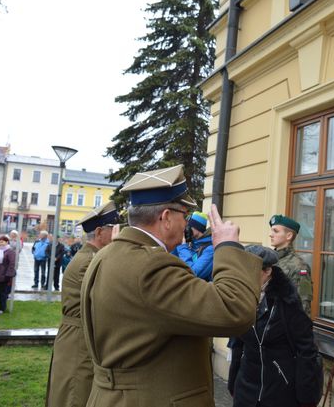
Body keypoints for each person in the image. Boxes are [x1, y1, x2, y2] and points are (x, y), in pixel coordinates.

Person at [80, 164, 261, 406]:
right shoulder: (151, 267)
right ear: (166, 218)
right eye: (184, 216)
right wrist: (227, 247)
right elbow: (234, 310)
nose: (185, 224)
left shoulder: (107, 255)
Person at [228, 245, 323, 407]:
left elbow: (305, 347)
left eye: (250, 270)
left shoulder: (287, 299)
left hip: (280, 389)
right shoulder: (241, 296)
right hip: (246, 389)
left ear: (267, 271)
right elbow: (237, 343)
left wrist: (306, 396)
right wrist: (233, 381)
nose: (244, 276)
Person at [46, 201, 119, 407]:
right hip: (79, 339)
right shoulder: (89, 262)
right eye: (113, 229)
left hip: (79, 335)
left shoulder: (91, 257)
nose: (117, 234)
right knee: (75, 394)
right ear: (99, 232)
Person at [269, 215, 313, 313]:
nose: (270, 234)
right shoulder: (270, 260)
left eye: (275, 231)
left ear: (289, 236)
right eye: (271, 231)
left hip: (284, 324)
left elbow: (304, 302)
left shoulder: (300, 267)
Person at [174, 211, 214, 281]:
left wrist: (183, 247)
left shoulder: (210, 249)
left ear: (198, 228)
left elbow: (193, 273)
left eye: (189, 226)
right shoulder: (193, 244)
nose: (187, 229)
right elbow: (172, 260)